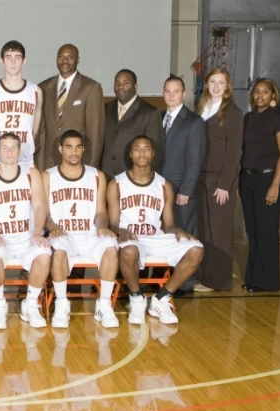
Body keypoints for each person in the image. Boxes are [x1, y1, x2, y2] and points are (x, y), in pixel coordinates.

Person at [107, 136, 204, 324]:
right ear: (130, 153)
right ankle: (137, 298)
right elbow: (112, 224)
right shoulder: (116, 184)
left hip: (156, 237)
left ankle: (162, 298)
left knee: (196, 249)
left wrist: (178, 231)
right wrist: (121, 231)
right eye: (137, 148)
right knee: (129, 250)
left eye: (146, 149)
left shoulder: (164, 185)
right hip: (131, 238)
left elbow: (168, 224)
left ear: (153, 153)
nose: (142, 153)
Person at [43, 130, 119, 328]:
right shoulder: (48, 176)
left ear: (84, 149)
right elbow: (42, 212)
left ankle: (104, 304)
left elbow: (101, 212)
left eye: (78, 147)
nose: (73, 151)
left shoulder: (96, 176)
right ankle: (61, 304)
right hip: (63, 234)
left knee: (111, 246)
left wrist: (102, 227)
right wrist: (52, 226)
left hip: (89, 233)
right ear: (60, 149)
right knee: (59, 250)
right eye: (68, 147)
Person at [0, 133, 51, 331]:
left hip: (27, 236)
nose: (9, 152)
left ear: (20, 151)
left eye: (13, 148)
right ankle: (0, 305)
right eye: (5, 147)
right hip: (0, 236)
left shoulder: (31, 173)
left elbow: (40, 206)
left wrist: (37, 232)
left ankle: (30, 304)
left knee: (44, 255)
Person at [239, 78, 280, 293]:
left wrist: (275, 185)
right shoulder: (248, 118)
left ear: (273, 96)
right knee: (252, 231)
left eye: (265, 92)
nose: (260, 95)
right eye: (257, 91)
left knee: (267, 231)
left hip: (268, 180)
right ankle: (253, 278)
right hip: (248, 180)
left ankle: (268, 282)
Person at [194, 68, 244, 292]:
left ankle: (220, 281)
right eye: (212, 81)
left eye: (220, 82)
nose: (216, 86)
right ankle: (205, 277)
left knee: (219, 232)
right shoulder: (202, 107)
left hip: (219, 181)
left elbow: (234, 152)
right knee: (204, 230)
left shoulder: (233, 113)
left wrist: (225, 185)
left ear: (227, 86)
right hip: (201, 178)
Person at [159, 75, 206, 292]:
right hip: (159, 188)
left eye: (175, 91)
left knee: (184, 234)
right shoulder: (158, 118)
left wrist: (186, 190)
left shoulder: (194, 122)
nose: (171, 95)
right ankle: (163, 279)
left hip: (180, 190)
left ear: (183, 94)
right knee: (163, 234)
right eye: (167, 91)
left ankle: (186, 284)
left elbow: (194, 160)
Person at [37, 44, 104, 170]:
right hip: (49, 162)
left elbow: (95, 133)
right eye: (61, 57)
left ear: (78, 60)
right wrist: (40, 165)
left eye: (70, 57)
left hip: (78, 162)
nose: (65, 61)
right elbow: (41, 131)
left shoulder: (90, 87)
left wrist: (91, 168)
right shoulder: (43, 87)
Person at [0, 40, 42, 170]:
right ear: (2, 61)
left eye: (17, 58)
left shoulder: (35, 91)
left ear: (24, 61)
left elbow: (35, 131)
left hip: (25, 159)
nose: (13, 63)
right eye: (8, 58)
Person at [102, 69, 163, 179]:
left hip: (133, 179)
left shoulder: (150, 113)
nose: (120, 86)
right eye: (117, 83)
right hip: (105, 176)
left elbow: (155, 153)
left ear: (135, 86)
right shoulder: (105, 109)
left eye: (126, 83)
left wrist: (145, 180)